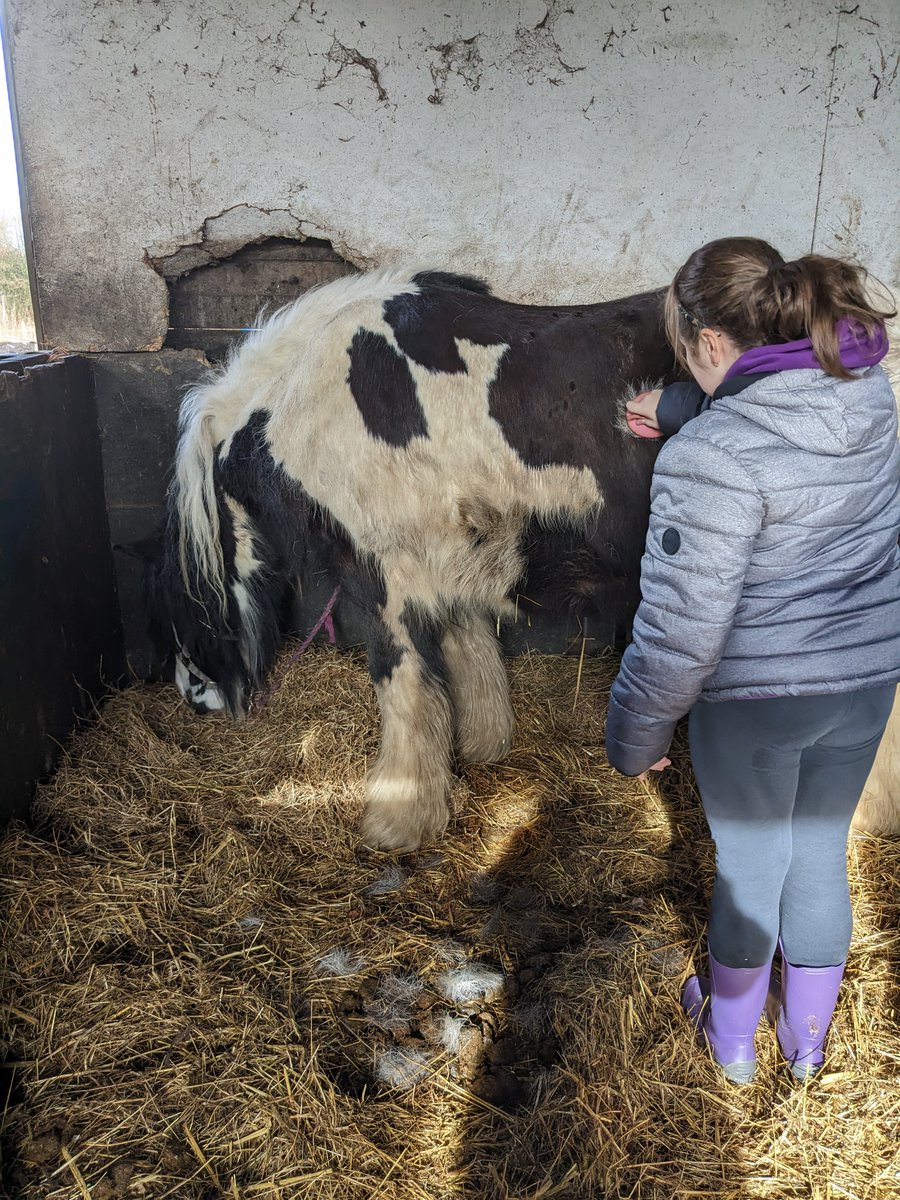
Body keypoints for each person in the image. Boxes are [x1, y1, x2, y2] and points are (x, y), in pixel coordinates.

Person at [605, 237, 900, 1084]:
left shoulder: (707, 461)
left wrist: (635, 734)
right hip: (863, 683)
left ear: (705, 342)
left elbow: (679, 632)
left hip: (761, 703)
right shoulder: (865, 395)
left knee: (750, 872)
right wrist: (678, 408)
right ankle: (806, 1047)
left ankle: (731, 1047)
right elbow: (784, 432)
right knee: (816, 859)